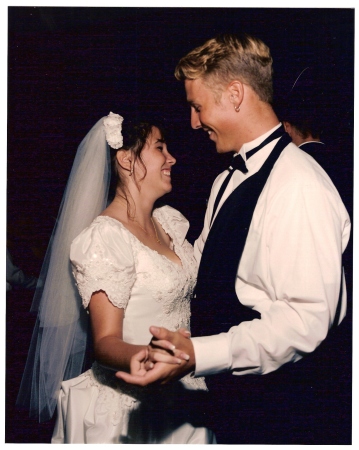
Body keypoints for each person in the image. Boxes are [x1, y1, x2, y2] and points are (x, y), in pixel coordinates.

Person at [116, 34, 352, 444]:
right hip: (229, 404)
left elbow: (305, 321)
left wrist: (198, 355)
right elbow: (205, 276)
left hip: (279, 413)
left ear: (236, 94)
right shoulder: (225, 179)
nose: (193, 122)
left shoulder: (298, 185)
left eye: (197, 106)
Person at [17, 112, 215, 444]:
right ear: (126, 160)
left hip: (186, 391)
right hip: (129, 401)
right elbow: (106, 341)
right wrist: (143, 356)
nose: (172, 158)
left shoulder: (169, 223)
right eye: (159, 147)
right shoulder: (105, 238)